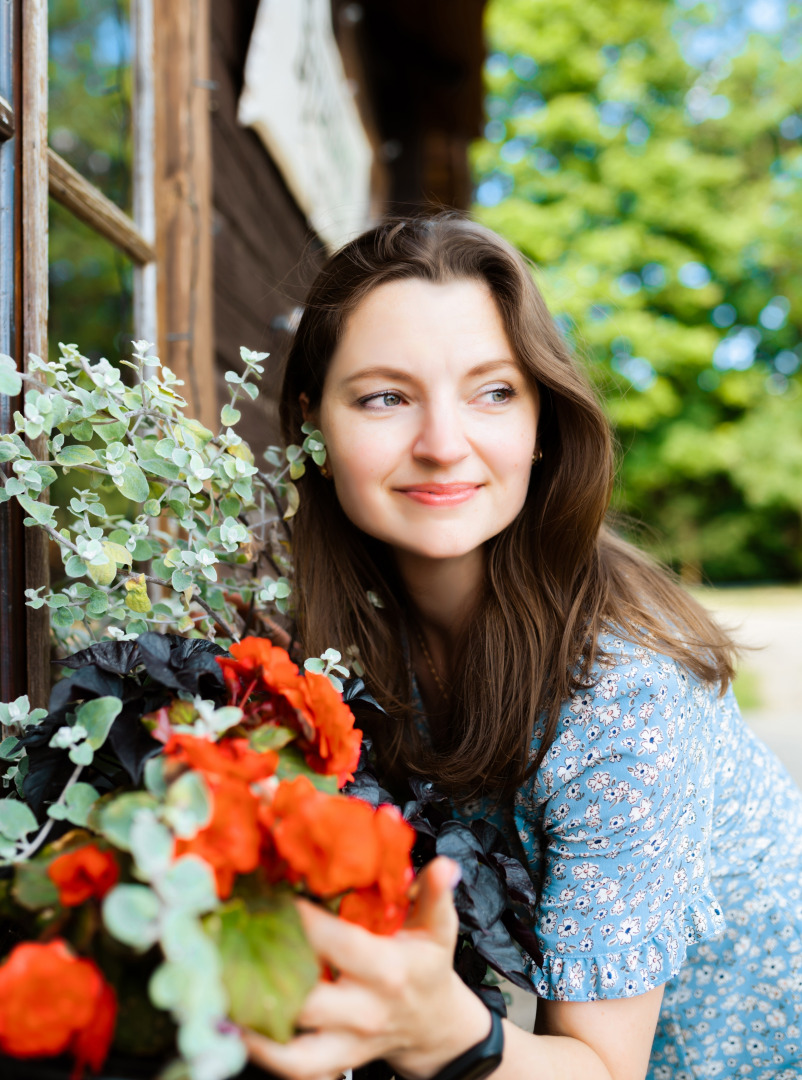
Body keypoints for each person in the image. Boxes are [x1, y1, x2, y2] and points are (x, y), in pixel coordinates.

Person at [244, 214, 802, 1080]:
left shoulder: (625, 700)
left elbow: (602, 1069)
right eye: (385, 396)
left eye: (492, 391)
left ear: (542, 420)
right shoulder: (330, 629)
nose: (440, 444)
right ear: (315, 427)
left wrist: (448, 1035)